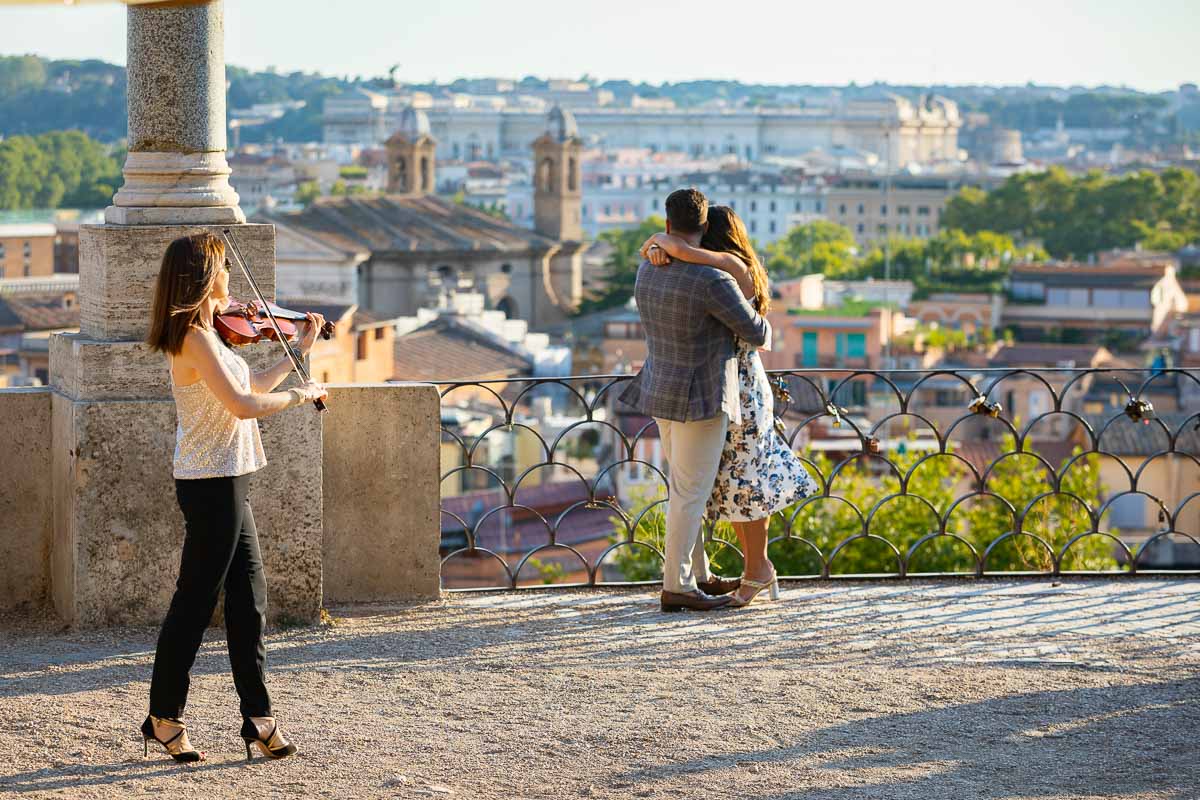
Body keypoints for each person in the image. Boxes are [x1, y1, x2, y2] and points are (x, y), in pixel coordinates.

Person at [140, 232, 327, 762]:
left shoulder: (207, 335)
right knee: (194, 604)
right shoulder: (194, 338)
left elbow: (250, 385)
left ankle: (259, 720)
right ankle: (163, 718)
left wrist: (300, 354)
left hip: (230, 476)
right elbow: (244, 406)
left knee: (250, 604)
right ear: (203, 277)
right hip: (209, 484)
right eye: (223, 269)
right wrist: (303, 394)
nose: (231, 280)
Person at [640, 206, 818, 607]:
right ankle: (753, 568)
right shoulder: (706, 271)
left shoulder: (733, 270)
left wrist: (666, 243)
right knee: (728, 484)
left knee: (748, 479)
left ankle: (757, 568)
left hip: (741, 391)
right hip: (717, 387)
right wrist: (661, 245)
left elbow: (752, 321)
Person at [619, 189, 771, 612]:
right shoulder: (713, 281)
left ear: (668, 226)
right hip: (702, 395)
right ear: (704, 228)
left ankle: (698, 576)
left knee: (684, 490)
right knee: (690, 495)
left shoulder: (646, 269)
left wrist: (658, 244)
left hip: (659, 388)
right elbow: (758, 334)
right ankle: (678, 586)